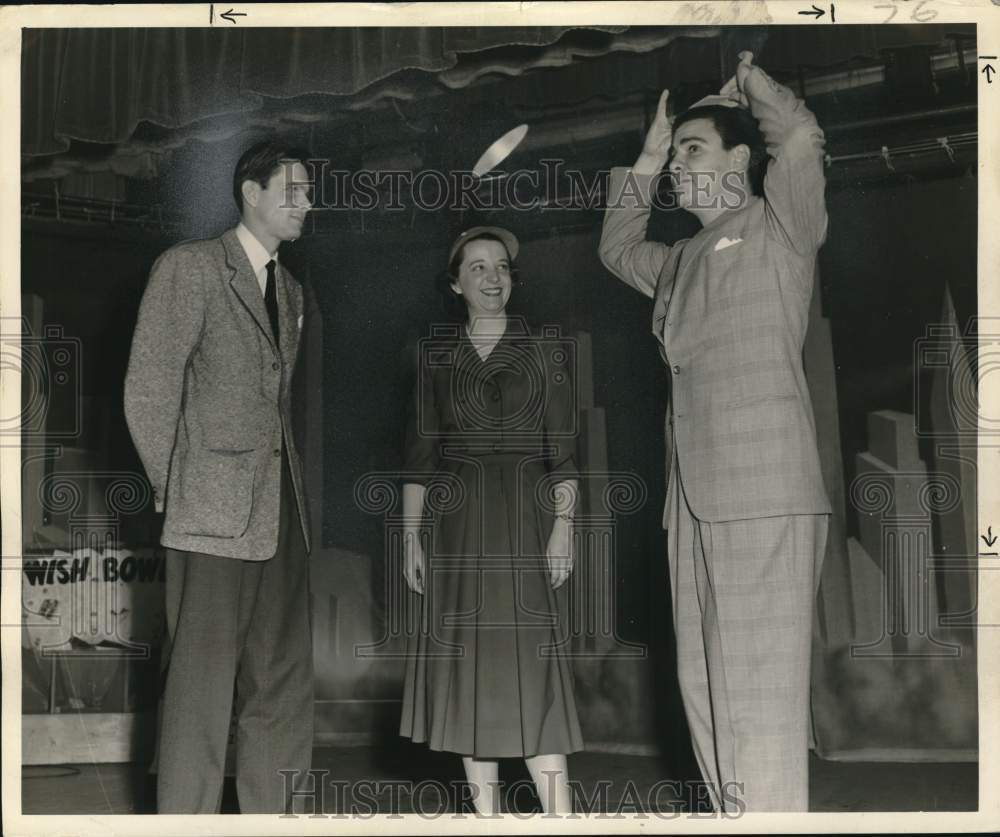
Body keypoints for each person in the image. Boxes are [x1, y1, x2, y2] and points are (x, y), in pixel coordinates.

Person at [599, 52, 832, 812]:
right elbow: (616, 249)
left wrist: (756, 85)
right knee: (705, 688)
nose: (677, 168)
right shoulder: (678, 260)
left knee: (759, 698)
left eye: (691, 150)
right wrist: (648, 153)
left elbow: (798, 142)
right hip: (691, 502)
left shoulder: (778, 224)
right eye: (676, 156)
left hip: (763, 491)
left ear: (741, 159)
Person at [124, 140, 315, 813]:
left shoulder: (290, 290)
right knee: (199, 693)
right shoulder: (191, 268)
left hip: (279, 513)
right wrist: (179, 491)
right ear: (250, 192)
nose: (307, 203)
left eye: (310, 191)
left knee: (282, 684)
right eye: (292, 189)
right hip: (208, 514)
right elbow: (148, 389)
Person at [399, 227, 583, 814]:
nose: (491, 277)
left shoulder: (544, 350)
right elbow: (418, 461)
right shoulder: (437, 359)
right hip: (455, 528)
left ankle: (561, 821)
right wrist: (410, 538)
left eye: (500, 266)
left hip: (527, 521)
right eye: (476, 268)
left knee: (533, 669)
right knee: (466, 669)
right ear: (455, 284)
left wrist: (564, 527)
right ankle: (489, 822)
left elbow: (566, 457)